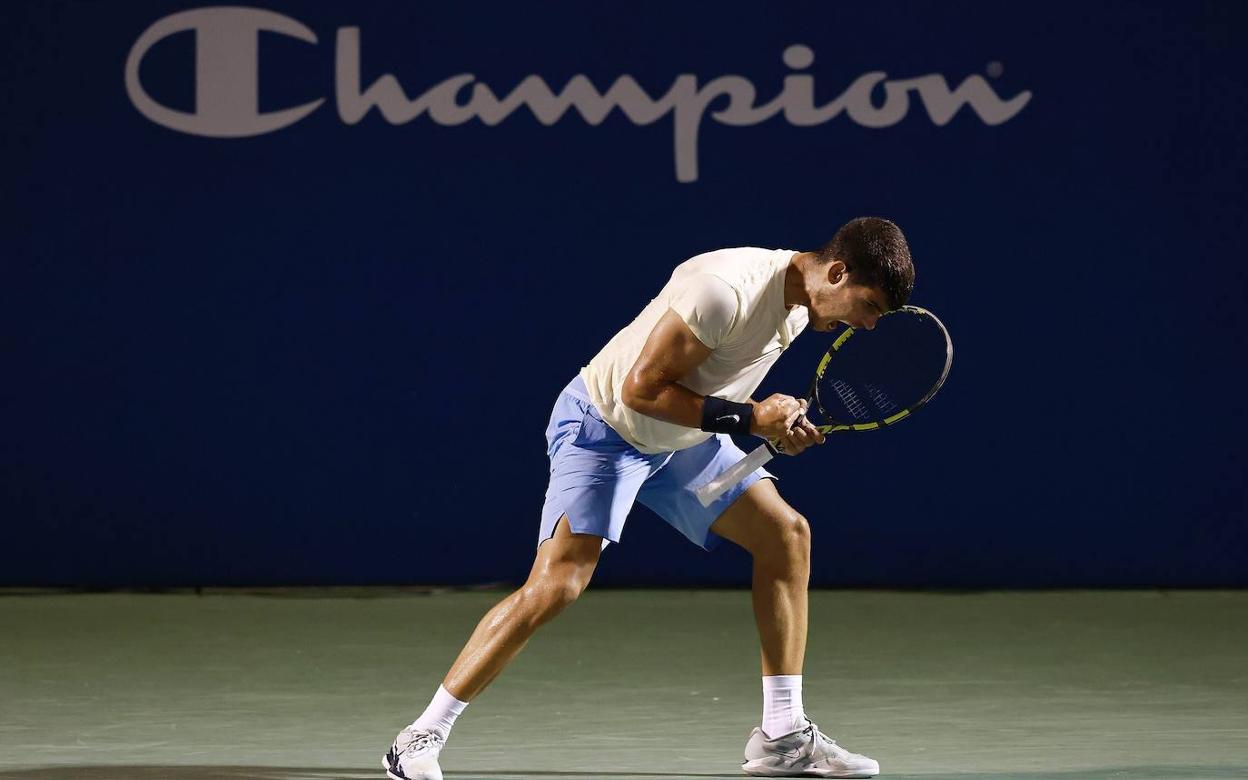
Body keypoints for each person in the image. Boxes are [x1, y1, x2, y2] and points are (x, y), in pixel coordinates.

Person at [384, 217, 915, 780]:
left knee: (786, 535)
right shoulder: (725, 289)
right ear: (837, 272)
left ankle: (782, 736)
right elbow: (642, 389)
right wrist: (752, 419)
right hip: (608, 427)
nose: (870, 325)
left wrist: (769, 424)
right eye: (871, 305)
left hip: (682, 438)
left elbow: (712, 383)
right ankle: (419, 737)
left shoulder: (804, 305)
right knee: (558, 584)